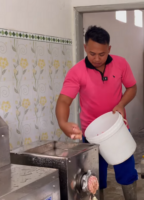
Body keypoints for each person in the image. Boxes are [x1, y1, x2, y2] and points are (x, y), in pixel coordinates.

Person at [56, 26, 138, 200]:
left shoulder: (121, 64)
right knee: (94, 178)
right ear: (85, 48)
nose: (97, 58)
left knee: (127, 173)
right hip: (92, 136)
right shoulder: (77, 72)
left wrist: (121, 104)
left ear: (109, 49)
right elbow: (64, 100)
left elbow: (132, 87)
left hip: (118, 130)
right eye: (92, 53)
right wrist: (63, 123)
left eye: (102, 54)